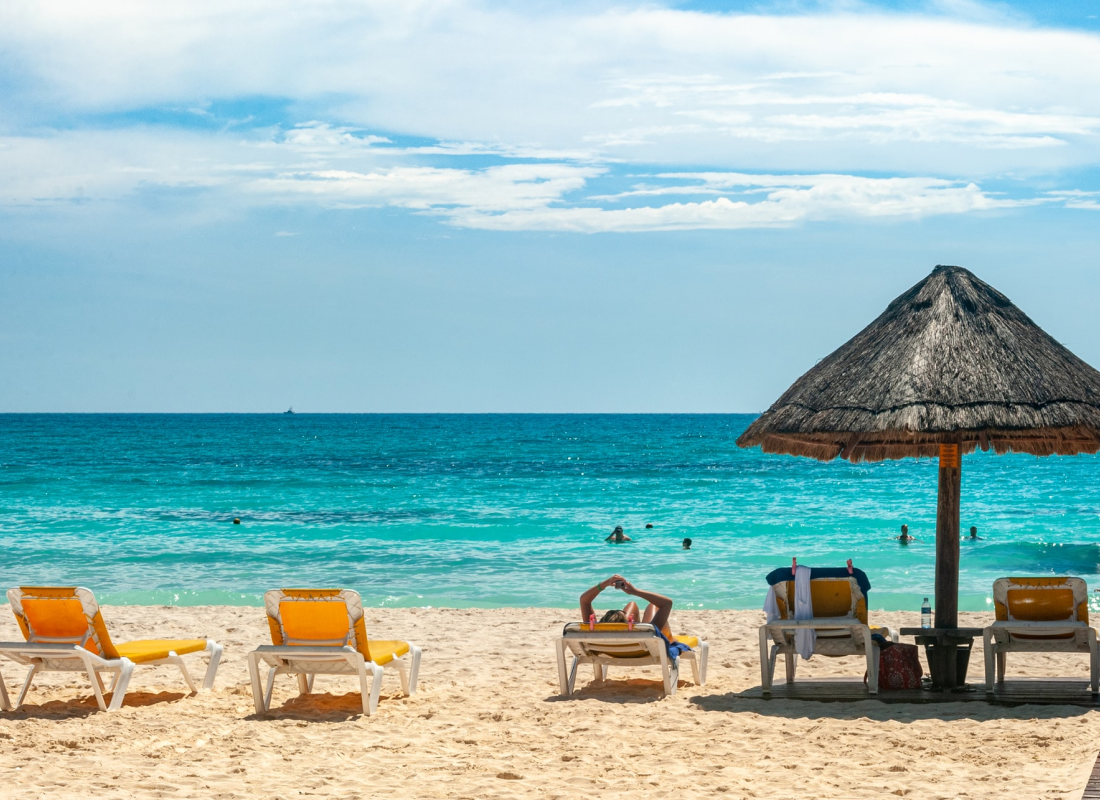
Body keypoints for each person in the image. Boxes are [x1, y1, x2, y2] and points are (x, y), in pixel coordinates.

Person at [579, 574, 673, 635]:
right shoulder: (648, 633)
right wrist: (635, 591)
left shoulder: (595, 632)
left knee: (632, 604)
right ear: (629, 623)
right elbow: (667, 603)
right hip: (639, 652)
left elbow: (584, 600)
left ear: (602, 621)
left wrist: (605, 584)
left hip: (607, 652)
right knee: (653, 605)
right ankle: (670, 639)